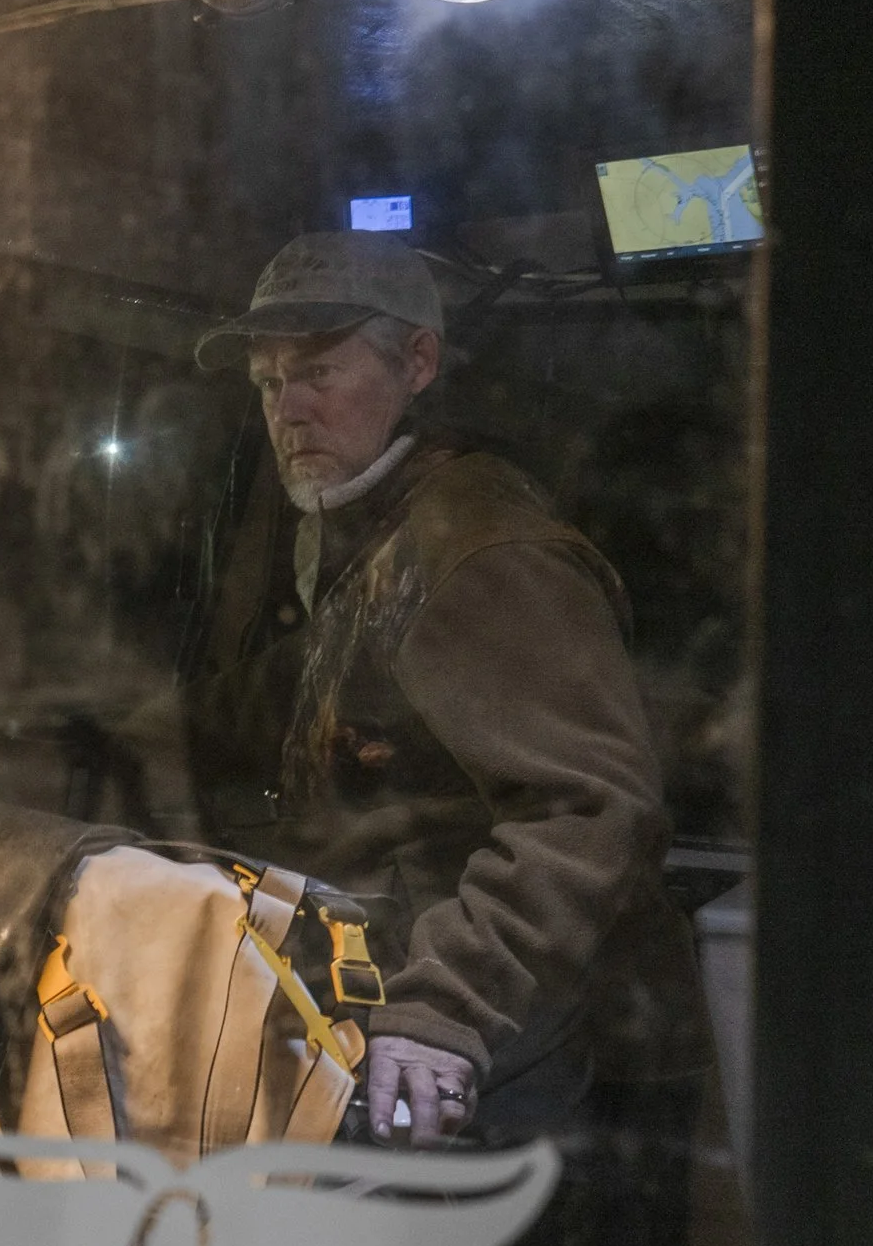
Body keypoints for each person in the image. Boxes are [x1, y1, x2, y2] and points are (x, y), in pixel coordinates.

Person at [188, 231, 703, 1149]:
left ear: (417, 362)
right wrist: (85, 735)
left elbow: (593, 808)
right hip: (468, 1020)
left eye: (319, 370)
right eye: (268, 383)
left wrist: (445, 1008)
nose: (289, 409)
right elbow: (289, 697)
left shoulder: (479, 549)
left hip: (548, 1053)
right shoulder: (370, 529)